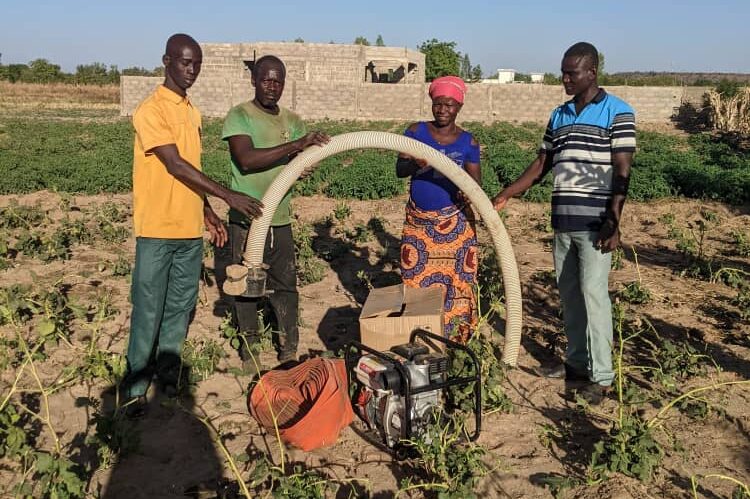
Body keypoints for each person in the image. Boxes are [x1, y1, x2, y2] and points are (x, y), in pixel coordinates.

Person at [122, 34, 263, 417]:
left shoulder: (192, 111)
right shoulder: (150, 110)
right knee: (148, 308)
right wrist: (227, 196)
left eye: (197, 64)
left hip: (188, 231)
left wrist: (207, 213)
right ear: (166, 60)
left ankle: (167, 376)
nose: (192, 70)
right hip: (156, 228)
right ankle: (135, 386)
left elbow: (190, 176)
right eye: (185, 62)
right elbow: (174, 165)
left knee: (180, 306)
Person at [493, 42, 636, 404]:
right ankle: (575, 364)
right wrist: (508, 192)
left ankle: (602, 377)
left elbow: (622, 171)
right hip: (563, 222)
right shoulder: (559, 115)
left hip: (595, 225)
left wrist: (614, 221)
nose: (565, 79)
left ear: (592, 72)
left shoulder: (617, 112)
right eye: (563, 72)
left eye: (571, 72)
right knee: (570, 296)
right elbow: (543, 164)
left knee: (594, 296)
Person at [221, 55, 329, 370]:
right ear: (254, 80)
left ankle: (288, 350)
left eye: (278, 81)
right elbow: (247, 160)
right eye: (266, 80)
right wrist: (296, 146)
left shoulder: (293, 120)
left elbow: (299, 163)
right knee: (246, 286)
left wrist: (301, 164)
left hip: (279, 218)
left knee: (285, 286)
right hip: (247, 217)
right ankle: (251, 351)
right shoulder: (239, 116)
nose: (272, 86)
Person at [396, 76, 482, 343]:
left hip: (455, 226)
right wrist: (416, 164)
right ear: (432, 104)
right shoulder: (415, 132)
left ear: (459, 107)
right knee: (414, 278)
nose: (443, 110)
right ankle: (421, 336)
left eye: (450, 105)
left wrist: (465, 190)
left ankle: (455, 337)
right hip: (419, 223)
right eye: (438, 104)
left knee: (456, 284)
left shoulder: (468, 143)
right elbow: (400, 170)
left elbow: (476, 183)